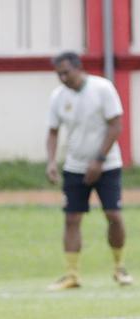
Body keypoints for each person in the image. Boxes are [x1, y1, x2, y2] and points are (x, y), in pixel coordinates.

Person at [45, 51, 133, 289]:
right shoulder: (58, 97)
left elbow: (116, 125)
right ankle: (72, 274)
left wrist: (99, 160)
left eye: (66, 72)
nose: (63, 78)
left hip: (107, 165)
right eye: (59, 74)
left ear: (78, 67)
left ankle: (119, 268)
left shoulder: (102, 88)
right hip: (75, 167)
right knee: (72, 218)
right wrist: (52, 162)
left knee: (113, 215)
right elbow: (53, 131)